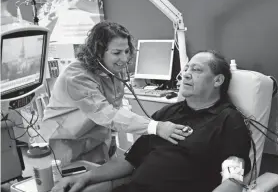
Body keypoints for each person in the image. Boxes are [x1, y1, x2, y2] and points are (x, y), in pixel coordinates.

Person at [30, 50, 252, 192]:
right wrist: (86, 178)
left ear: (218, 80)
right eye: (186, 69)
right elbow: (129, 160)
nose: (185, 74)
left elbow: (234, 183)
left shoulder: (229, 121)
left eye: (196, 70)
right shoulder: (167, 113)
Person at [40, 21, 191, 165]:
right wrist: (155, 127)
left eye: (126, 51)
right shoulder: (76, 77)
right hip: (64, 142)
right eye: (117, 52)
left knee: (100, 178)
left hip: (95, 138)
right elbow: (106, 113)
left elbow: (115, 106)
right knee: (70, 184)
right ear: (98, 51)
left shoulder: (112, 70)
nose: (124, 59)